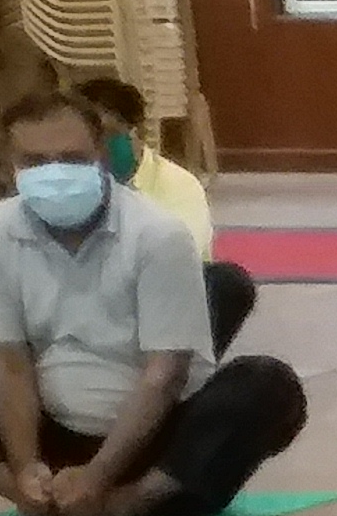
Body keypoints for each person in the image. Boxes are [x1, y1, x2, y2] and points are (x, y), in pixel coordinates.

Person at [0, 87, 308, 516]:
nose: (54, 174)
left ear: (102, 158)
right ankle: (36, 499)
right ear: (9, 165)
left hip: (154, 442)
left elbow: (162, 374)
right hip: (49, 431)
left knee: (267, 386)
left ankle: (127, 504)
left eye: (71, 159)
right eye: (35, 162)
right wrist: (25, 470)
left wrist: (98, 478)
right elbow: (6, 364)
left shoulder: (157, 235)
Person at [64, 75, 245, 355]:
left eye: (107, 135)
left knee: (224, 283)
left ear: (137, 133)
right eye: (87, 140)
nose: (97, 150)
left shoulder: (177, 184)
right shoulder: (62, 186)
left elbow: (183, 261)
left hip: (155, 315)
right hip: (74, 316)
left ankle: (175, 381)